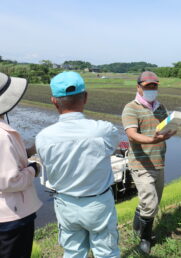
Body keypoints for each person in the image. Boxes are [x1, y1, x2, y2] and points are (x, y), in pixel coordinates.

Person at [35, 71, 120, 258]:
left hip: (65, 204)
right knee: (106, 252)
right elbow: (114, 145)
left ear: (53, 100)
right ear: (86, 97)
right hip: (98, 203)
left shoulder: (43, 137)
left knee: (73, 252)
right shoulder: (102, 130)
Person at [122, 71, 175, 254]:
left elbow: (163, 128)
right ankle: (145, 239)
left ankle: (138, 228)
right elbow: (132, 134)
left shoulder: (161, 108)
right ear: (139, 87)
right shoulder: (131, 108)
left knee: (152, 201)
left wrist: (171, 130)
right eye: (147, 86)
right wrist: (152, 140)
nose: (152, 89)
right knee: (150, 202)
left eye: (154, 86)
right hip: (141, 163)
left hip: (159, 161)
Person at [0, 72, 42, 258]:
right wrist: (34, 168)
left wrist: (28, 152)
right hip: (10, 217)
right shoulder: (2, 136)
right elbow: (11, 181)